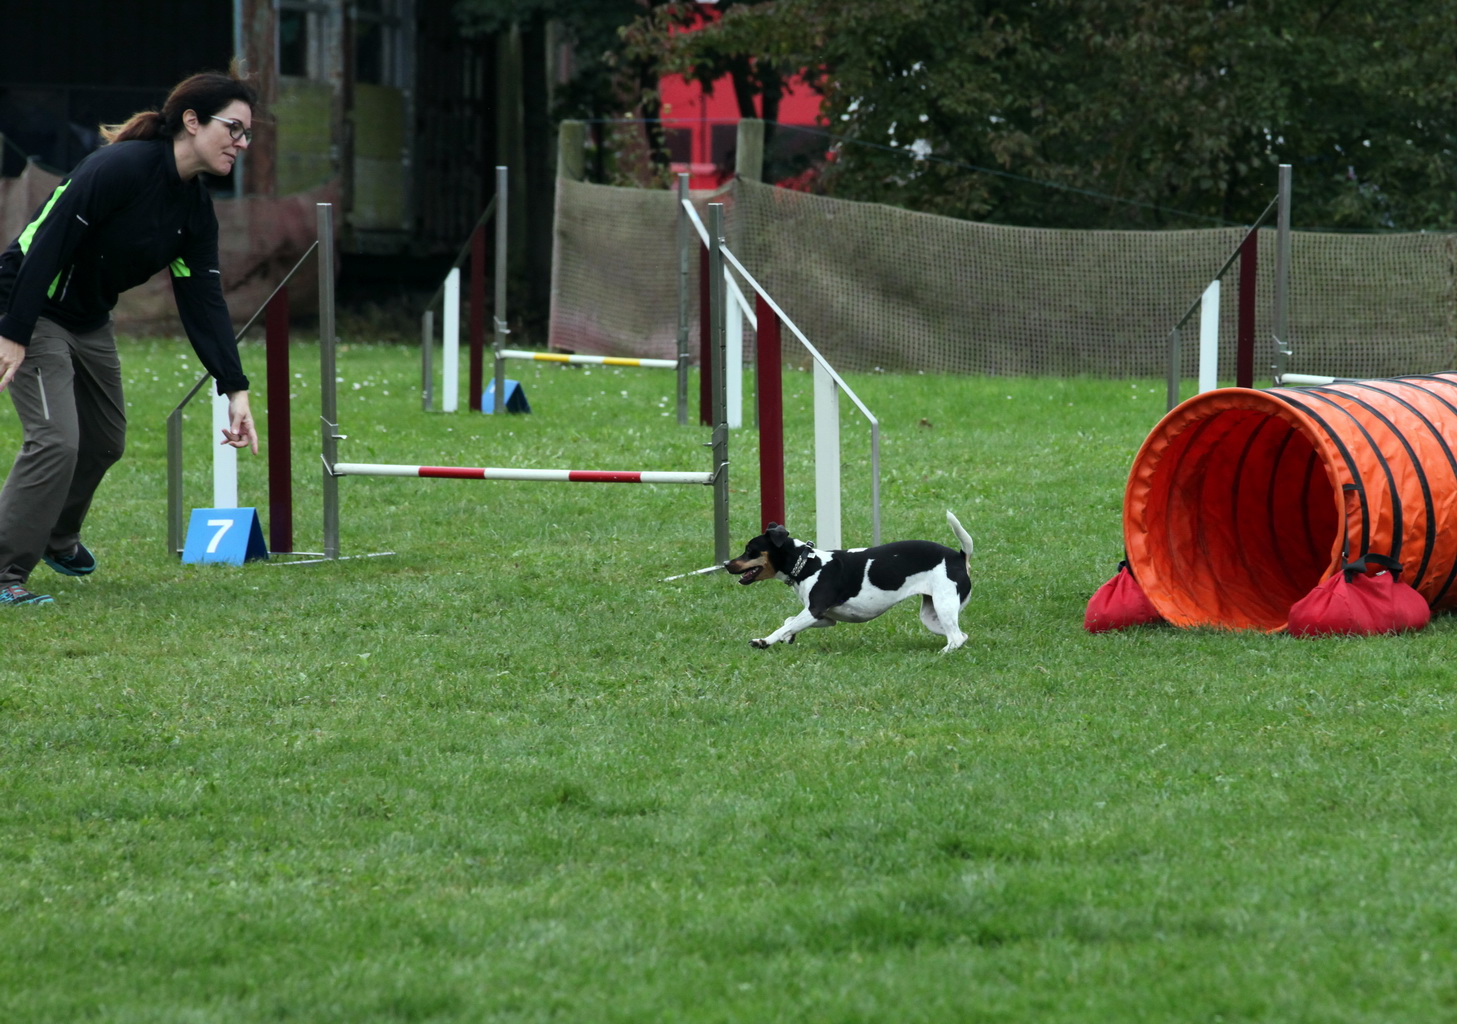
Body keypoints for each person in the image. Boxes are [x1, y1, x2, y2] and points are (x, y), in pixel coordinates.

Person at [0, 66, 261, 605]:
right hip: (30, 304)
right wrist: (14, 331)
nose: (241, 143)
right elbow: (47, 243)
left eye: (247, 134)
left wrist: (234, 387)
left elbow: (203, 301)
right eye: (233, 128)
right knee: (55, 441)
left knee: (105, 440)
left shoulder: (194, 210)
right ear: (192, 121)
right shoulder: (119, 167)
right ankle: (5, 572)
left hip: (89, 318)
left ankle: (56, 536)